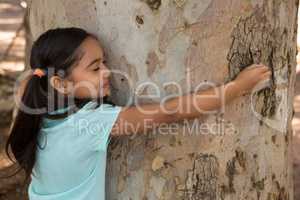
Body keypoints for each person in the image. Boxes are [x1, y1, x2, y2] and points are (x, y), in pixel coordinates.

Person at [5, 27, 271, 200]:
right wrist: (238, 87)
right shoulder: (89, 124)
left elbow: (33, 80)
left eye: (105, 63)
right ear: (59, 83)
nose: (108, 72)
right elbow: (170, 114)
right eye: (95, 68)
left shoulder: (38, 110)